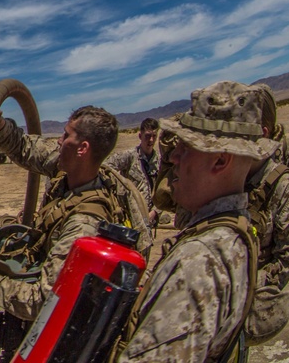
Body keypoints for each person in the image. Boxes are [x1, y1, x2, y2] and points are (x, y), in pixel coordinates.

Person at [0, 105, 151, 362]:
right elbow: (27, 149)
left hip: (51, 345)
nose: (59, 141)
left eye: (65, 135)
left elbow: (42, 302)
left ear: (82, 149)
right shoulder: (73, 171)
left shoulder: (84, 225)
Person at [116, 81, 280, 361]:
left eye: (186, 147)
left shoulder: (200, 260)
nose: (174, 157)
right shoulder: (235, 229)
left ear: (220, 161)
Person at [104, 118, 162, 226]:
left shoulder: (159, 161)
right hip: (131, 217)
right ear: (140, 136)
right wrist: (117, 189)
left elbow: (162, 193)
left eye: (154, 136)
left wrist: (154, 213)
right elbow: (106, 166)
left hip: (149, 218)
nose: (151, 140)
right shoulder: (130, 156)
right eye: (148, 136)